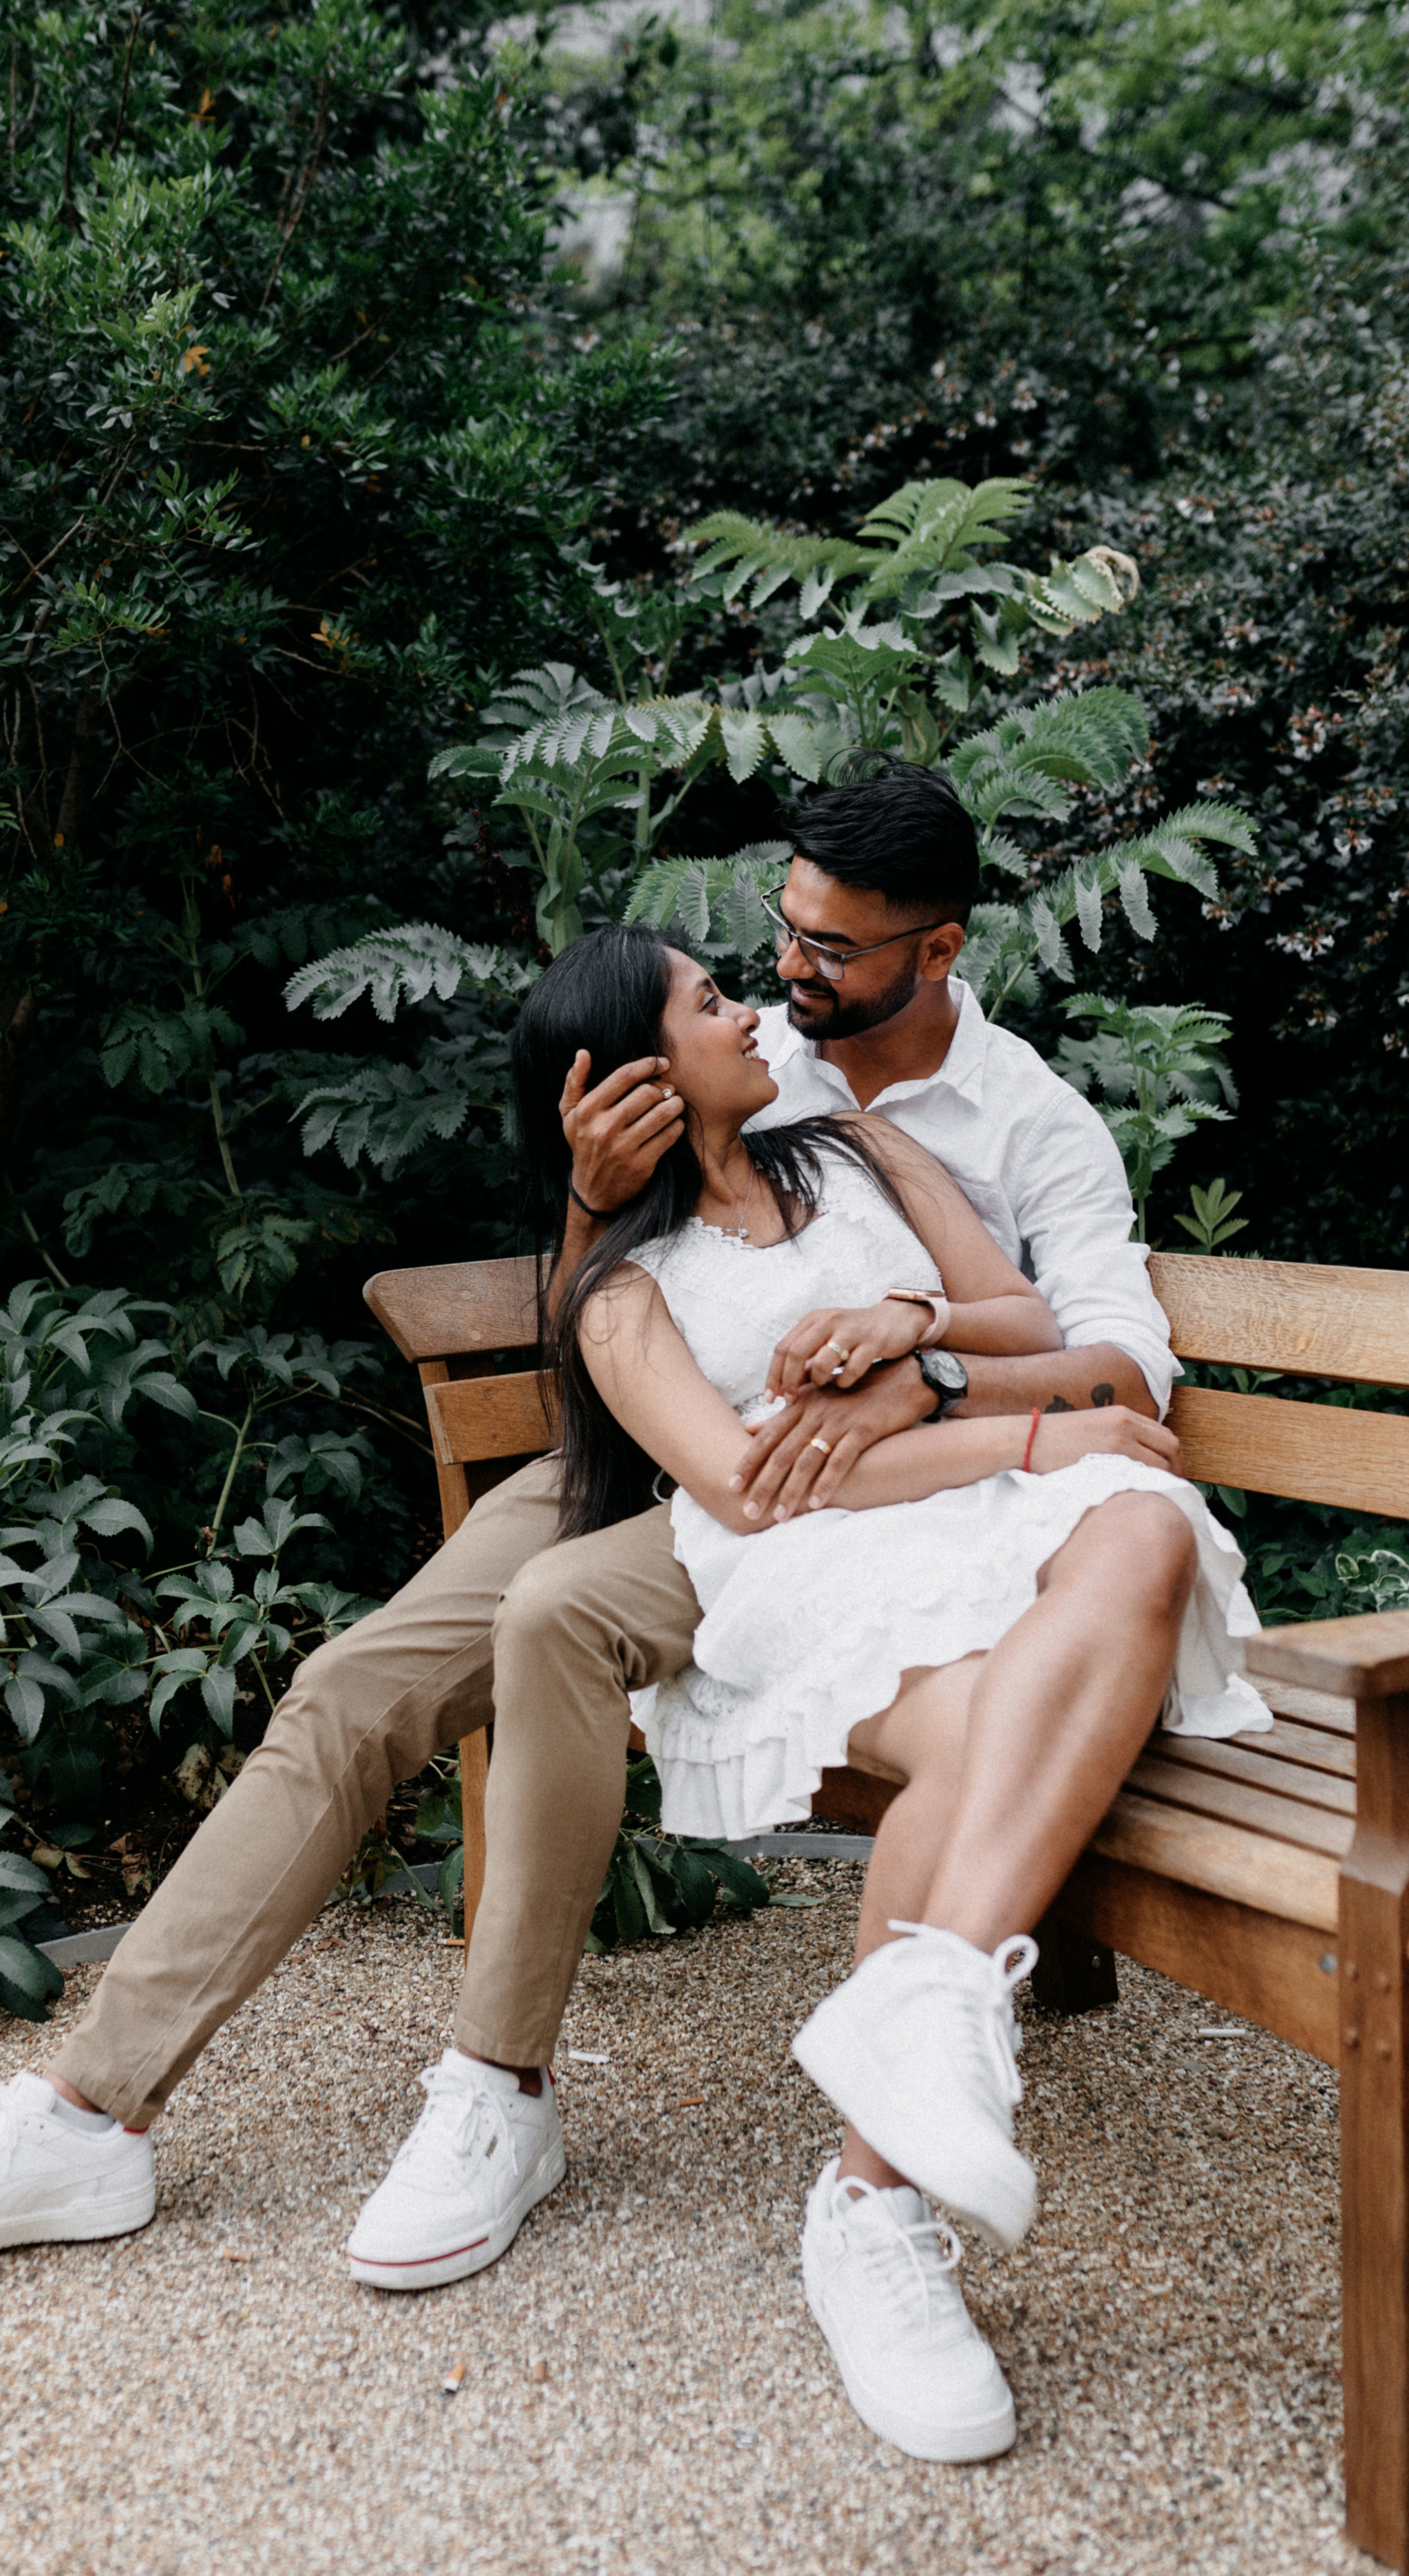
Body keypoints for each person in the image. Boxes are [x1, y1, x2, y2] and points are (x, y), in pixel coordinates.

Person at [0, 770, 1179, 2324]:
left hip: (810, 1492)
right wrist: (593, 1202)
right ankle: (80, 2117)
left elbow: (1108, 1362)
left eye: (826, 954)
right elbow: (617, 1293)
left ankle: (497, 2087)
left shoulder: (1020, 1126)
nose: (784, 986)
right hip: (650, 1441)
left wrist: (925, 1367)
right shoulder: (759, 1053)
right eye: (771, 943)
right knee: (346, 1689)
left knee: (555, 1616)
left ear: (933, 952)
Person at [512, 919, 1267, 2460]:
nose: (749, 1014)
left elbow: (1032, 1324)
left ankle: (915, 2024)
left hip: (984, 1520)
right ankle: (873, 2202)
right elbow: (745, 1491)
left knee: (1142, 1529)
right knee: (1028, 1644)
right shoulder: (620, 1292)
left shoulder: (850, 1154)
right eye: (712, 1002)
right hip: (817, 1573)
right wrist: (1031, 1440)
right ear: (648, 1079)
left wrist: (911, 1324)